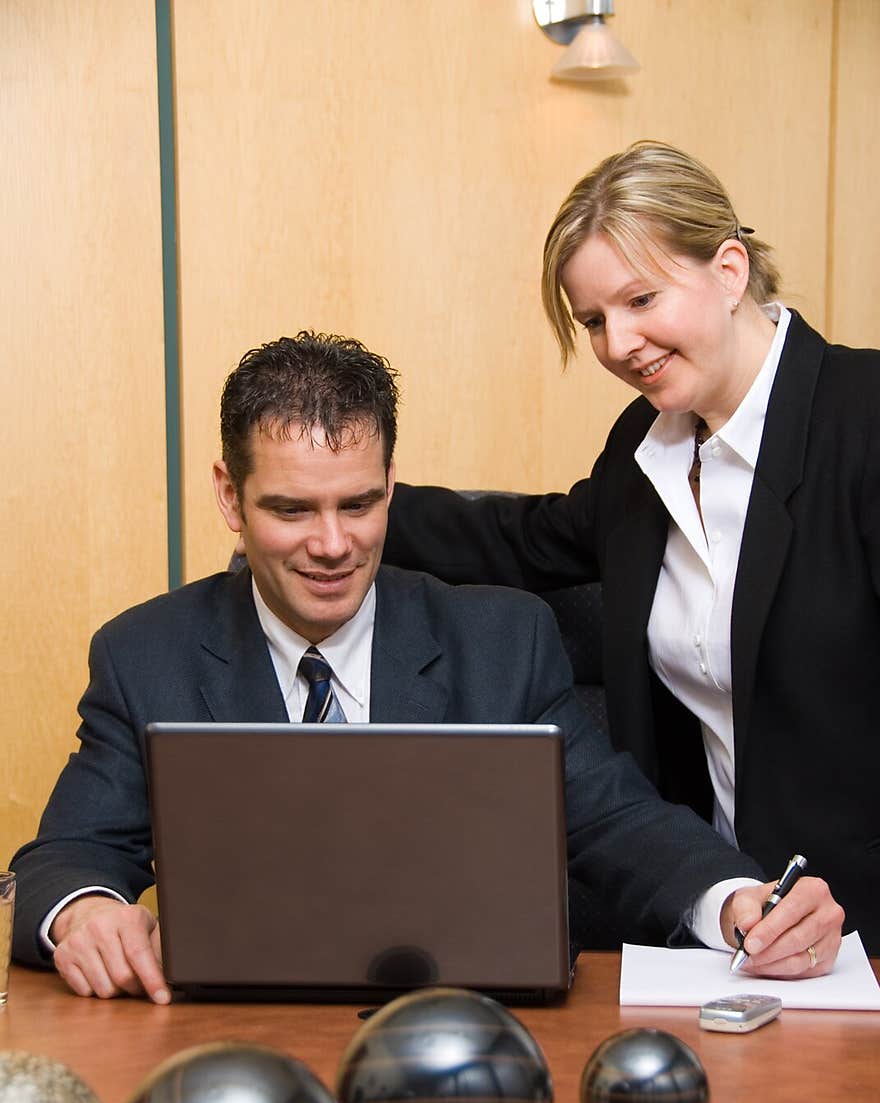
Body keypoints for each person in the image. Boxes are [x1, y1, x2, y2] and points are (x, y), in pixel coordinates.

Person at [10, 330, 841, 1003]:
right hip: (232, 1047)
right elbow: (61, 858)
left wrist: (735, 900)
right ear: (230, 496)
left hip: (463, 1033)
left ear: (391, 485)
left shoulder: (502, 639)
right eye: (292, 508)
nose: (332, 544)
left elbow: (613, 820)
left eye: (360, 504)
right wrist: (85, 912)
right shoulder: (143, 652)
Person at [383, 138, 874, 960]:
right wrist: (349, 502)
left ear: (728, 269)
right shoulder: (642, 449)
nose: (618, 343)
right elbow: (522, 540)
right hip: (723, 924)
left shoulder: (864, 419)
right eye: (595, 321)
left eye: (641, 299)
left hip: (862, 932)